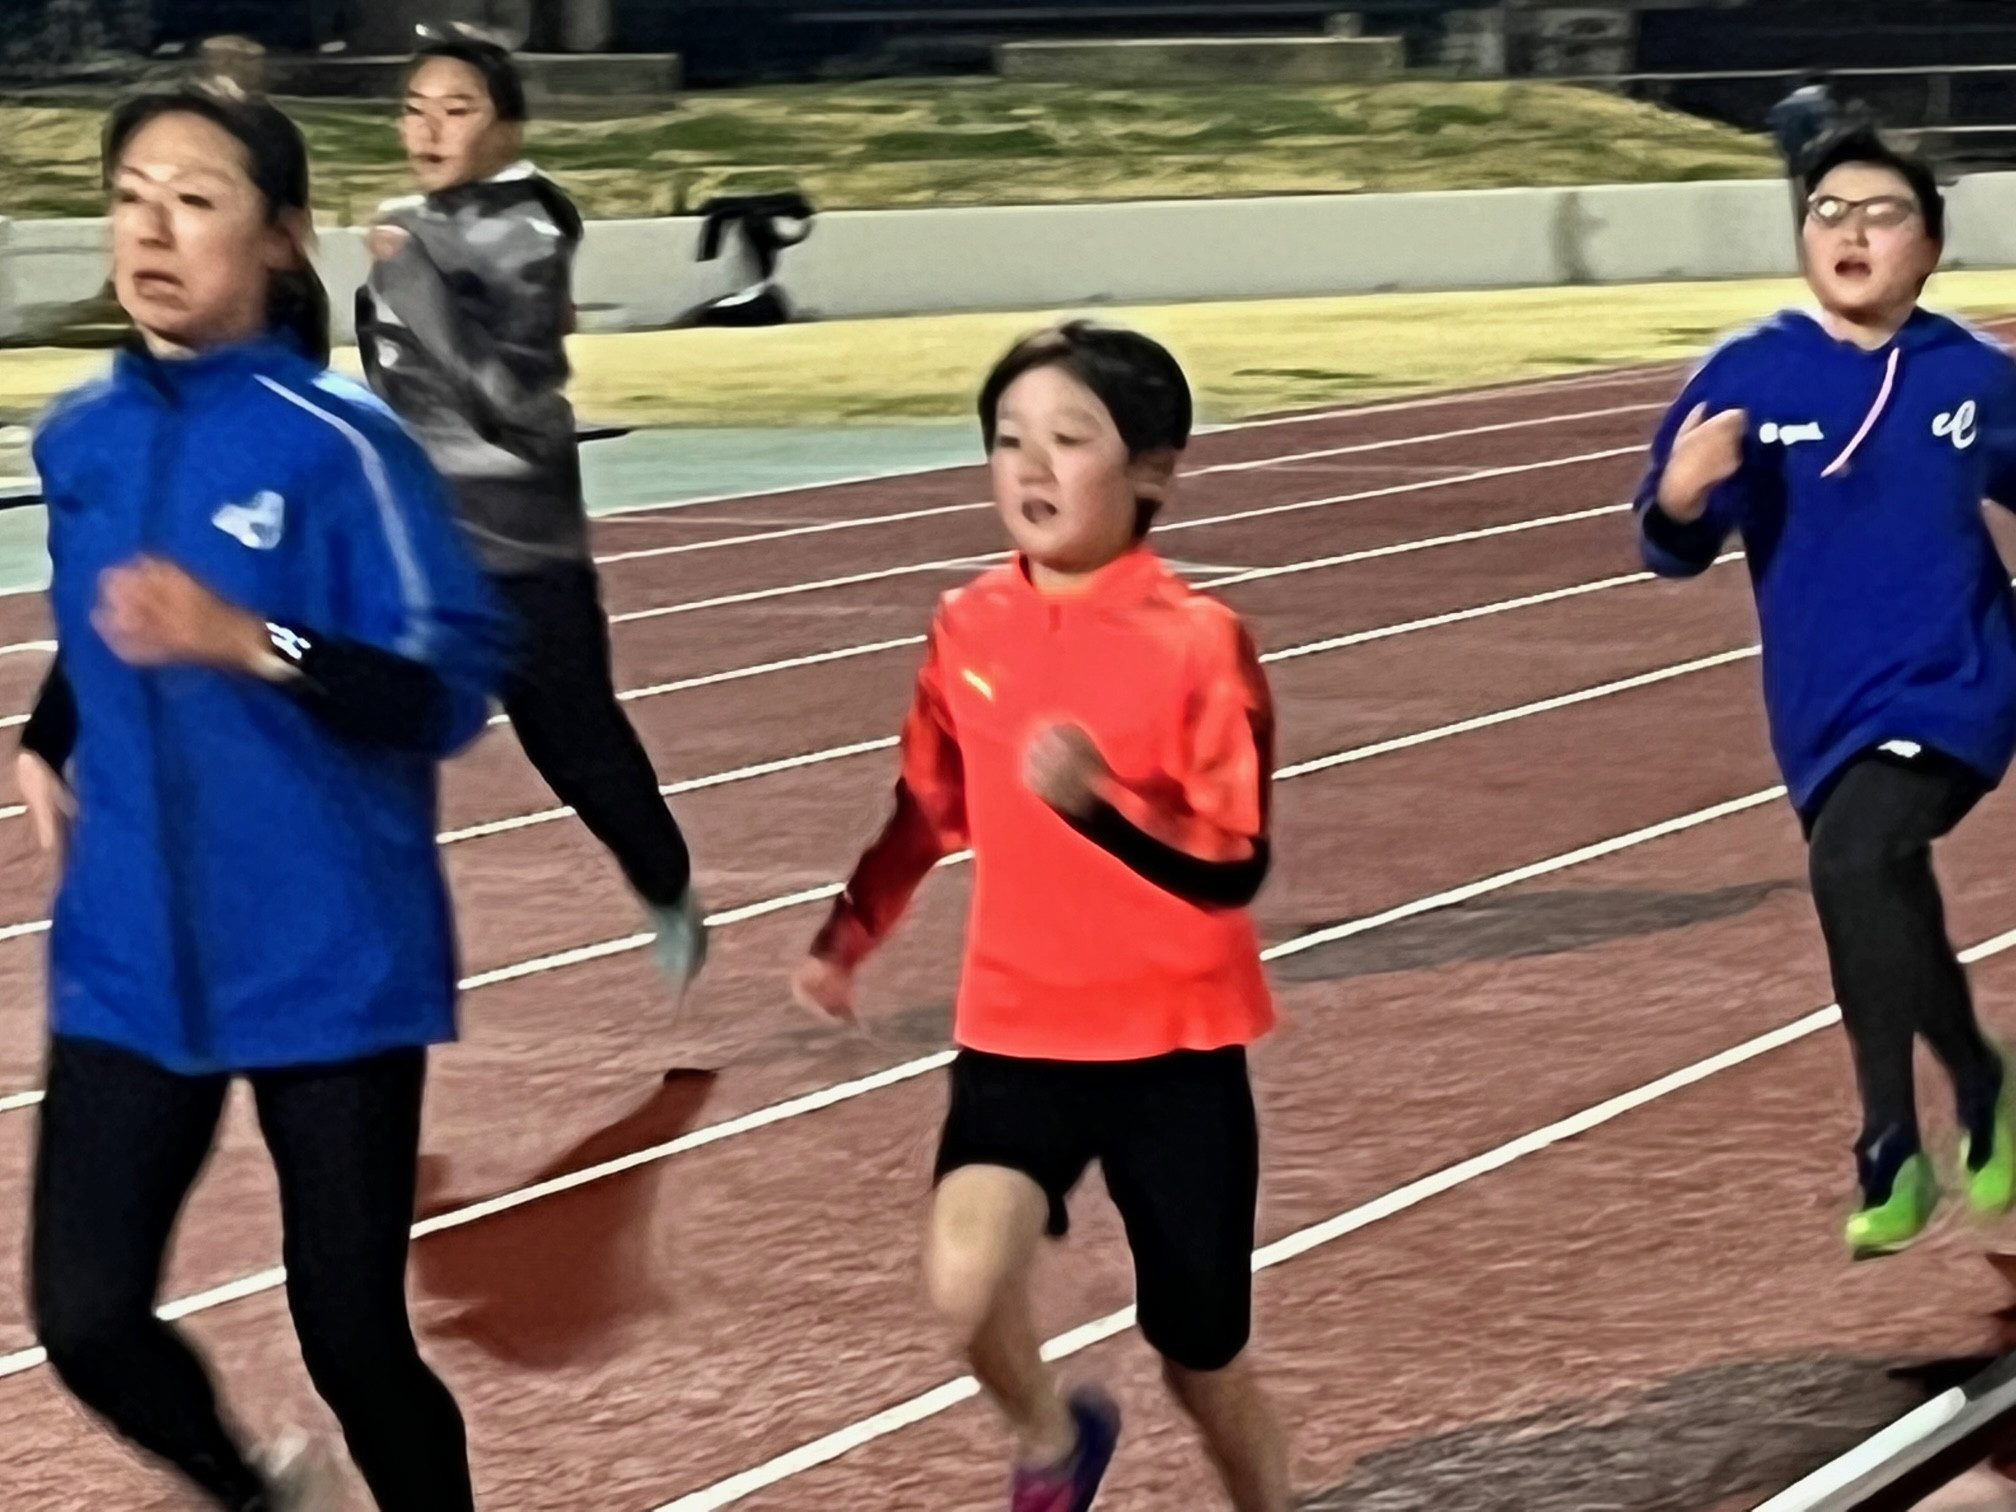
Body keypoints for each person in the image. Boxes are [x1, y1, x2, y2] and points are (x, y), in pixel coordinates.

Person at [17, 82, 508, 1509]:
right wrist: (46, 736)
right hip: (128, 955)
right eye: (129, 198)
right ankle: (261, 1493)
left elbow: (444, 690)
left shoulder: (343, 446)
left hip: (328, 955)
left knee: (353, 1339)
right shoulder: (78, 437)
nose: (151, 229)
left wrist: (251, 641)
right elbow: (102, 617)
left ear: (282, 236)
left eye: (195, 199)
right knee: (86, 1320)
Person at [793, 322, 1292, 1510]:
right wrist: (849, 932)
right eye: (1007, 439)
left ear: (1153, 468)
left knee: (1201, 1361)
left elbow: (1233, 865)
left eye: (1069, 439)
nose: (1030, 465)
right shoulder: (967, 623)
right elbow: (930, 803)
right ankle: (1052, 1438)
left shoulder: (1200, 643)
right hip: (1019, 1034)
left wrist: (1102, 805)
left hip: (1175, 1049)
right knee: (963, 1286)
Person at [1634, 126, 2016, 1258]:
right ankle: (1985, 1080)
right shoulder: (1748, 375)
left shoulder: (1973, 377)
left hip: (1958, 682)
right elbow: (1667, 544)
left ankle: (1889, 1144)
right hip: (1819, 705)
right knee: (1879, 889)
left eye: (1883, 213)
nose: (1852, 231)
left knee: (1855, 861)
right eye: (1828, 211)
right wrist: (1685, 498)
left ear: (1930, 247)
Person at [354, 31, 706, 995]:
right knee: (345, 715)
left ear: (507, 128)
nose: (429, 128)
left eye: (457, 109)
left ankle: (665, 881)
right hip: (413, 542)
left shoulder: (530, 233)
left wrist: (413, 281)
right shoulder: (408, 226)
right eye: (415, 109)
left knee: (573, 743)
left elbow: (502, 401)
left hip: (516, 541)